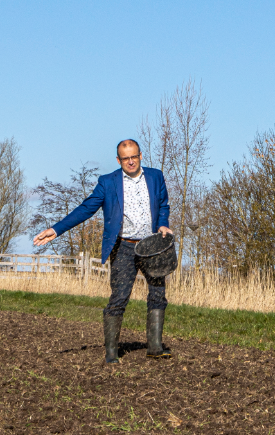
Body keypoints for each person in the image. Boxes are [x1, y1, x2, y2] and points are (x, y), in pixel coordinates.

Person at [34, 139, 174, 363]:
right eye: (125, 158)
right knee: (118, 298)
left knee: (158, 294)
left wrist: (163, 223)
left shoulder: (155, 176)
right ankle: (111, 353)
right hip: (123, 247)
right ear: (118, 160)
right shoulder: (108, 182)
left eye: (134, 157)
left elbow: (164, 204)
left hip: (152, 246)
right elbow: (87, 208)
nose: (130, 161)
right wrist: (56, 229)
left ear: (140, 156)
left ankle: (155, 347)